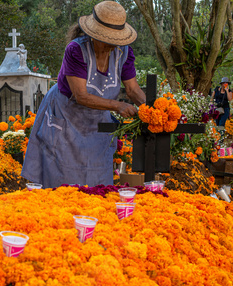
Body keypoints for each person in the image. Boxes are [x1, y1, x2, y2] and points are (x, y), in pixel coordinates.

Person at [21, 1, 146, 188]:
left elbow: (133, 89)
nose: (112, 44)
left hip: (97, 122)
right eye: (108, 38)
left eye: (116, 39)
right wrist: (118, 106)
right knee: (63, 177)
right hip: (66, 115)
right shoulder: (76, 50)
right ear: (95, 35)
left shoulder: (124, 53)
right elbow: (81, 95)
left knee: (98, 178)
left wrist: (153, 109)